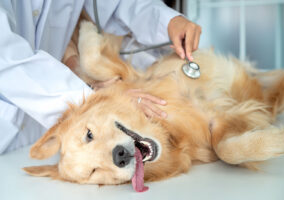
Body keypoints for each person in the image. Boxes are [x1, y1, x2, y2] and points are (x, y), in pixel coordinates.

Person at [0, 0, 201, 153]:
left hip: (47, 133)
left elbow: (117, 4)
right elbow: (7, 60)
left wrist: (168, 21)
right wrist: (99, 100)